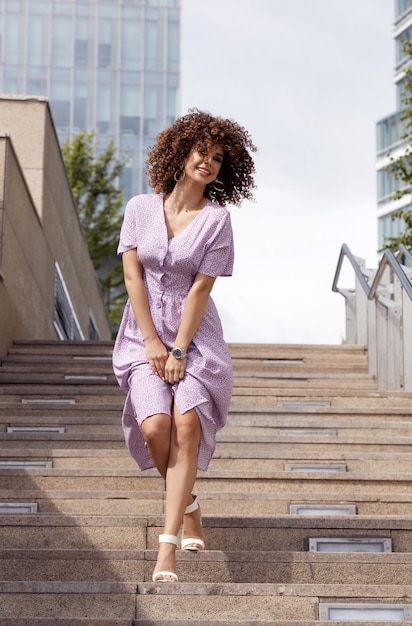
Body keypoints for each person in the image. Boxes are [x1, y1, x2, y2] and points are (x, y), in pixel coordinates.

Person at [112, 108, 256, 583]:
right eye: (202, 151)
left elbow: (199, 290)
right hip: (141, 335)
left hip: (195, 340)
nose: (209, 162)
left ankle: (167, 549)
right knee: (156, 428)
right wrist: (152, 342)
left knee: (186, 424)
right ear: (181, 151)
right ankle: (190, 503)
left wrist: (177, 350)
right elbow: (133, 274)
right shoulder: (138, 208)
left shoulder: (217, 221)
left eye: (218, 158)